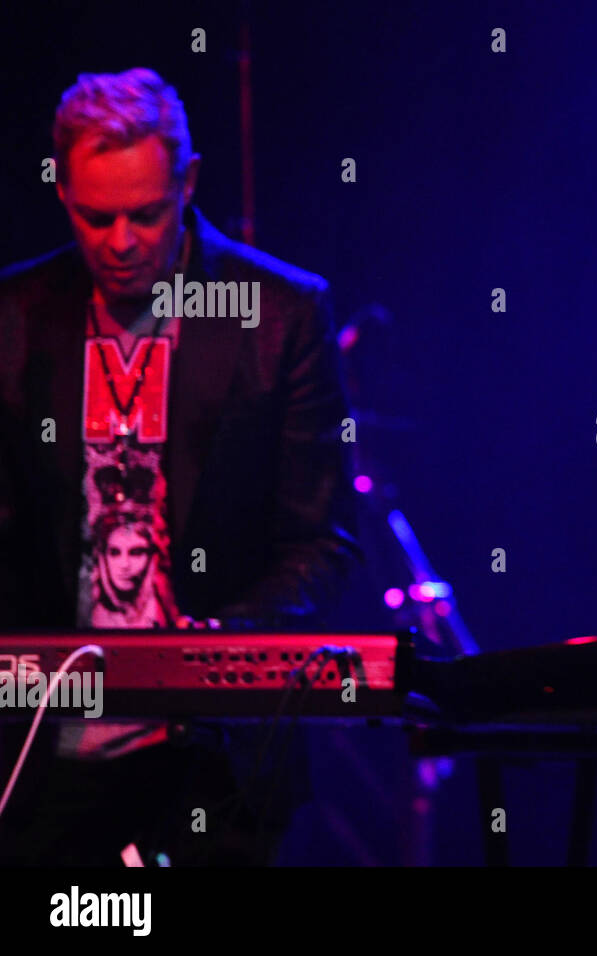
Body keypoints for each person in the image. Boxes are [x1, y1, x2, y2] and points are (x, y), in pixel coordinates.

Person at [0, 67, 360, 865]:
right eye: (96, 218)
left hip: (216, 756)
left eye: (147, 213)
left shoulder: (282, 314)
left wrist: (219, 645)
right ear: (59, 191)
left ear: (189, 182)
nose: (121, 242)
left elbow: (324, 543)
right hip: (43, 754)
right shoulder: (15, 318)